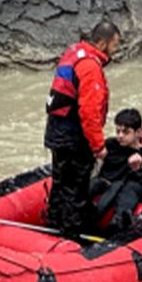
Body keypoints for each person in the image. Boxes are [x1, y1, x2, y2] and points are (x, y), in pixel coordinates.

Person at [43, 20, 121, 234]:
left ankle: (53, 226)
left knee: (60, 183)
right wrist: (98, 147)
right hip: (73, 136)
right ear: (103, 44)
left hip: (56, 131)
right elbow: (89, 113)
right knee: (75, 189)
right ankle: (71, 237)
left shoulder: (74, 52)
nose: (115, 51)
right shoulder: (90, 67)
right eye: (114, 45)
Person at [89, 108, 142, 231]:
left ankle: (112, 225)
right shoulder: (110, 144)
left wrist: (137, 168)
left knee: (117, 187)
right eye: (118, 131)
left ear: (137, 132)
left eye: (126, 132)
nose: (120, 136)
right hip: (101, 182)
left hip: (119, 189)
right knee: (93, 184)